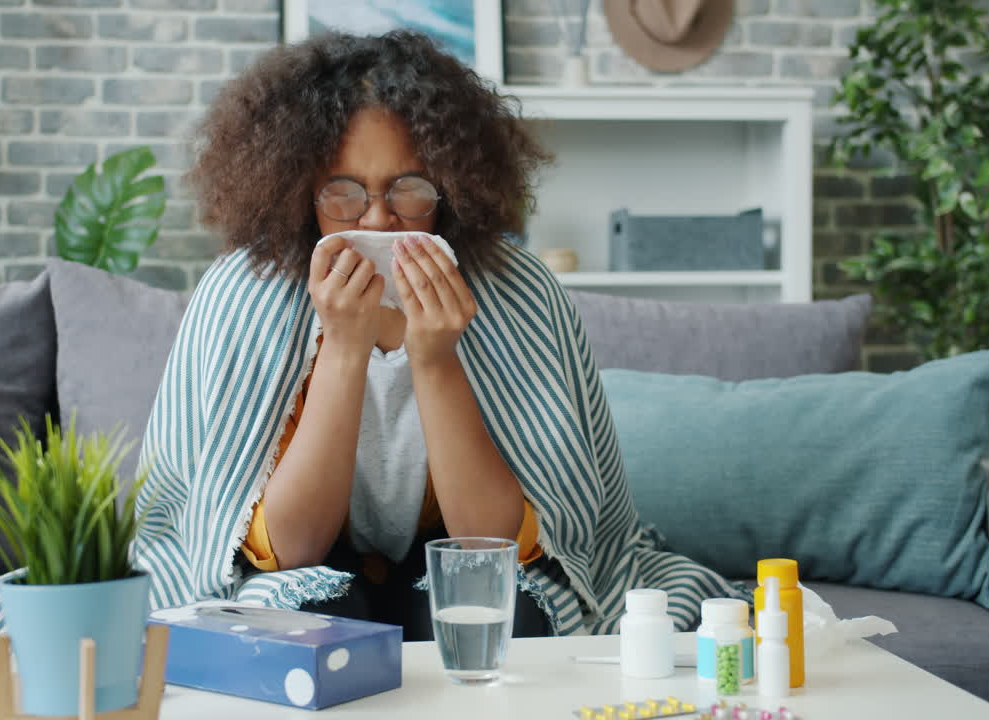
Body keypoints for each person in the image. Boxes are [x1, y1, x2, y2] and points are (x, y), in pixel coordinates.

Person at [132, 30, 744, 638]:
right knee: (304, 626)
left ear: (452, 186)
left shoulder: (518, 290)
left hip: (460, 546)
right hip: (313, 556)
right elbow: (292, 550)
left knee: (505, 617)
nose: (376, 218)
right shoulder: (245, 292)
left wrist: (434, 359)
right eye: (342, 193)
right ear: (296, 192)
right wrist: (344, 346)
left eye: (410, 189)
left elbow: (498, 544)